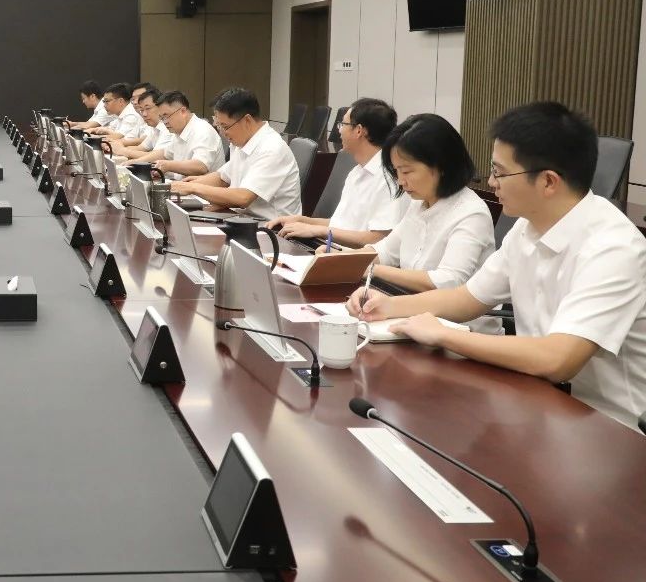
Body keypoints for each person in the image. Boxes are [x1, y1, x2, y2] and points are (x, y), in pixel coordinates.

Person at [348, 102, 646, 428]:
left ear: (548, 182)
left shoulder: (613, 248)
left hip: (608, 425)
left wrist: (443, 335)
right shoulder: (527, 228)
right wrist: (388, 306)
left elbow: (558, 359)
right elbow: (467, 298)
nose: (491, 181)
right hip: (539, 401)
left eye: (501, 172)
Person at [347, 113, 493, 291]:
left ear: (442, 165)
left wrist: (373, 270)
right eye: (396, 171)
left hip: (447, 309)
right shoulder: (419, 202)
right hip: (410, 302)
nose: (400, 181)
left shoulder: (471, 214)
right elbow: (386, 251)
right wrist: (339, 258)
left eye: (406, 172)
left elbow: (448, 281)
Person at [270, 98, 407, 247]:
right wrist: (301, 221)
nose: (339, 130)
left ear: (359, 130)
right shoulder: (357, 171)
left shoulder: (388, 178)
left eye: (343, 124)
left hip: (353, 258)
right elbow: (341, 224)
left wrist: (318, 231)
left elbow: (377, 240)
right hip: (331, 249)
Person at [167, 88, 299, 218]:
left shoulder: (272, 148)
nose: (222, 133)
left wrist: (193, 188)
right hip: (242, 218)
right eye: (219, 126)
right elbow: (223, 177)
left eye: (225, 126)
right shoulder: (242, 141)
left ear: (247, 120)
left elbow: (243, 197)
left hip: (272, 226)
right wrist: (185, 185)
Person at [130, 90, 221, 178]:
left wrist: (168, 166)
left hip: (201, 187)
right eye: (162, 118)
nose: (165, 122)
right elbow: (165, 154)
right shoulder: (179, 130)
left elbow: (201, 166)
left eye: (166, 116)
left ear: (183, 111)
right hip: (182, 184)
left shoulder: (202, 130)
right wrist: (135, 162)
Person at [111, 88, 170, 157]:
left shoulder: (167, 127)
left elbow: (155, 156)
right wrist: (116, 148)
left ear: (160, 107)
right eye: (141, 110)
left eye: (148, 108)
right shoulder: (154, 128)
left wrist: (123, 150)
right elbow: (141, 148)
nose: (144, 114)